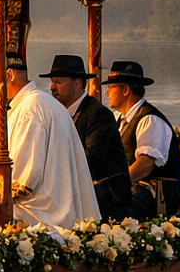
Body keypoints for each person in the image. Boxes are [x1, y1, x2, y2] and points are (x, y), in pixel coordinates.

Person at [0, 56, 99, 230]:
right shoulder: (42, 103)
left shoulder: (30, 109)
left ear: (9, 75)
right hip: (57, 203)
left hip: (40, 211)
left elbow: (24, 177)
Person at [39, 54, 130, 222]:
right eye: (52, 81)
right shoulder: (60, 114)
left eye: (58, 81)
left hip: (107, 195)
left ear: (77, 83)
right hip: (79, 188)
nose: (52, 87)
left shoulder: (98, 114)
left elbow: (92, 162)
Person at [102, 60, 180, 219]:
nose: (106, 93)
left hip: (158, 193)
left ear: (125, 89)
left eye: (110, 88)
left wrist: (117, 186)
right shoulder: (122, 120)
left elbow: (145, 164)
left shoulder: (149, 119)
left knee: (114, 208)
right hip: (137, 187)